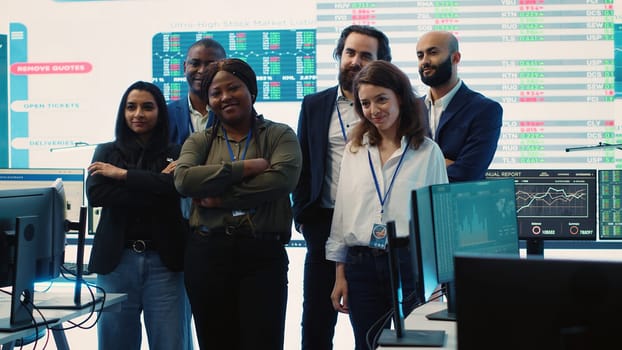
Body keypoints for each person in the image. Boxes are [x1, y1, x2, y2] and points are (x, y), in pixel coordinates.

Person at [174, 58, 302, 350]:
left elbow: (282, 180)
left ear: (251, 91)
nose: (225, 97)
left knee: (263, 342)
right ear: (208, 102)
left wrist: (220, 198)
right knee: (215, 342)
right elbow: (184, 181)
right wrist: (244, 169)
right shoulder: (199, 141)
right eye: (216, 93)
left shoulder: (279, 134)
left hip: (262, 254)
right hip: (207, 254)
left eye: (233, 88)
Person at [326, 60, 448, 350]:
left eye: (381, 99)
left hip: (410, 262)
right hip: (361, 263)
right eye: (365, 103)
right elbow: (343, 213)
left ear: (400, 98)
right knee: (366, 344)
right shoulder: (355, 149)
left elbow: (439, 217)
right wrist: (340, 274)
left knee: (416, 346)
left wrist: (440, 279)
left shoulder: (427, 151)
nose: (373, 110)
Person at [292, 24, 392, 350]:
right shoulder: (314, 105)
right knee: (317, 323)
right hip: (324, 225)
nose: (355, 61)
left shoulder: (393, 110)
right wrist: (304, 219)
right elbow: (304, 166)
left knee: (373, 326)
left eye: (366, 55)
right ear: (339, 54)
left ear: (381, 62)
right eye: (350, 52)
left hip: (375, 231)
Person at [86, 81, 190, 350]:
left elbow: (175, 188)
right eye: (131, 107)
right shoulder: (106, 151)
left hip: (165, 263)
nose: (138, 114)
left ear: (160, 112)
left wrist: (121, 176)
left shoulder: (176, 153)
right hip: (116, 262)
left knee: (171, 343)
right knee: (114, 344)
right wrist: (155, 186)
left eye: (147, 107)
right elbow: (98, 195)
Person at [416, 30, 502, 182]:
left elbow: (467, 174)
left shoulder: (485, 110)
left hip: (460, 204)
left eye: (433, 53)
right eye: (420, 55)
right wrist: (446, 163)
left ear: (455, 58)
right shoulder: (410, 109)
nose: (425, 61)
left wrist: (420, 169)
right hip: (415, 205)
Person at [168, 38, 226, 145]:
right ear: (185, 68)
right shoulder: (167, 114)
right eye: (195, 64)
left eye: (210, 64)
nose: (202, 70)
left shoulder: (231, 111)